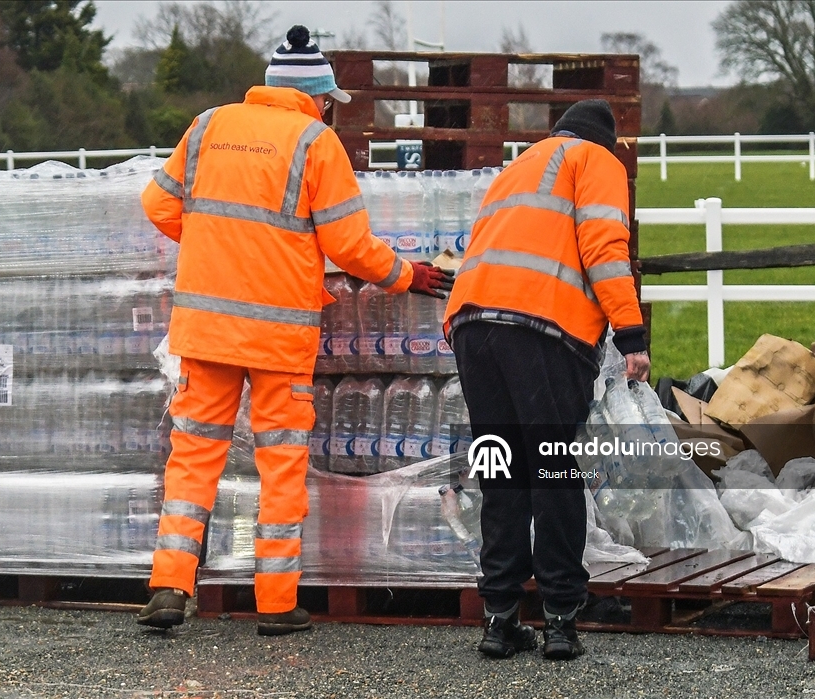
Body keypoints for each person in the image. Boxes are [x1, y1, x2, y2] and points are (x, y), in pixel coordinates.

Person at [136, 25, 452, 636]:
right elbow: (349, 245)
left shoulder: (207, 125)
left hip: (205, 328)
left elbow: (158, 205)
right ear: (318, 98)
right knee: (280, 465)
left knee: (194, 457)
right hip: (279, 337)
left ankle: (170, 586)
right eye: (330, 101)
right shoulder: (316, 142)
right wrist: (406, 275)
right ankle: (277, 604)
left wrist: (215, 245)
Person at [443, 99, 650, 660]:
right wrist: (630, 334)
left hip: (472, 326)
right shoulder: (597, 161)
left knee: (500, 470)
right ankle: (560, 620)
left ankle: (499, 620)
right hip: (542, 330)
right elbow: (604, 248)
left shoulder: (522, 164)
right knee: (553, 471)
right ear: (605, 141)